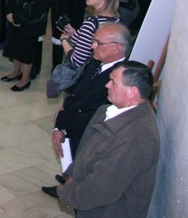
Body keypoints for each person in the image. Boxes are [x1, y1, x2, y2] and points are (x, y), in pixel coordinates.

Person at [55, 62, 159, 218]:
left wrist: (66, 194)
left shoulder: (136, 138)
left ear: (132, 92)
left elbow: (100, 189)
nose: (107, 85)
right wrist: (71, 176)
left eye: (113, 82)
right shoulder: (105, 110)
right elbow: (85, 149)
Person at [46, 23, 130, 177]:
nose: (93, 46)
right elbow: (76, 93)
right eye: (93, 41)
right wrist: (59, 128)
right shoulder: (97, 62)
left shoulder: (120, 81)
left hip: (86, 138)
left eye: (99, 43)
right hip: (72, 129)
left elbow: (94, 117)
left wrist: (61, 120)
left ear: (117, 48)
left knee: (79, 176)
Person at [2, 0, 51, 90]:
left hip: (30, 24)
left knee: (26, 52)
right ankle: (16, 72)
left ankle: (25, 79)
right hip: (16, 19)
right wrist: (10, 12)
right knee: (15, 48)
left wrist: (17, 18)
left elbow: (36, 9)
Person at [58, 0, 121, 72]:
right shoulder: (116, 20)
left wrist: (64, 40)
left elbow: (77, 60)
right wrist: (74, 33)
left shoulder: (91, 23)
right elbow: (86, 43)